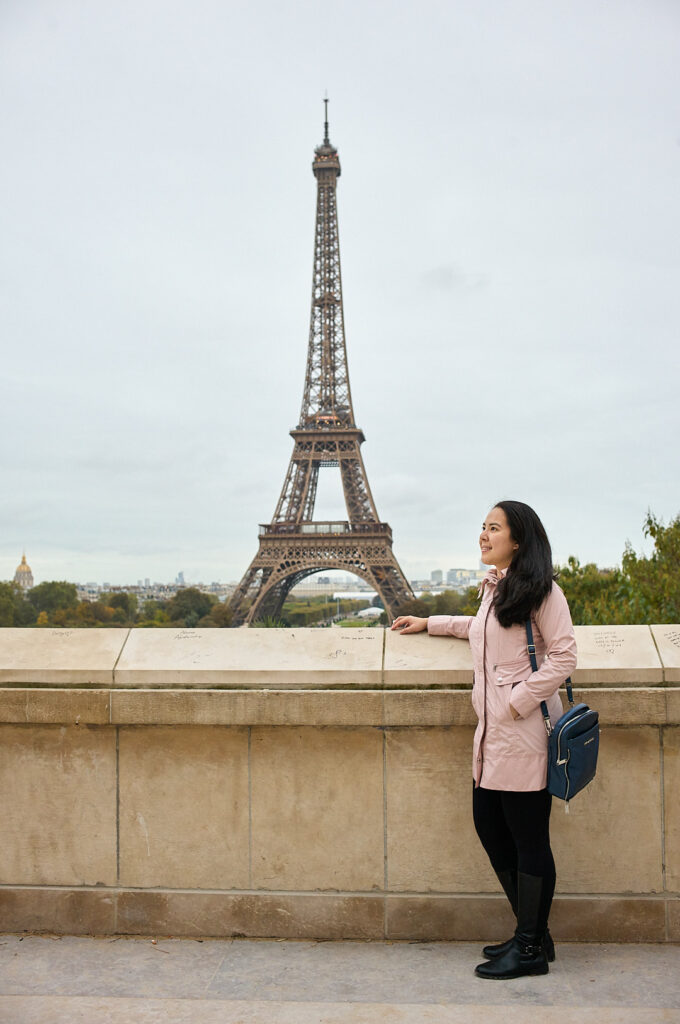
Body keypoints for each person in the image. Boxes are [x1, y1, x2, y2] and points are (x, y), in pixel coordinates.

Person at [391, 500, 577, 980]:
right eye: (482, 527)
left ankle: (531, 946)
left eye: (493, 528)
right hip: (492, 736)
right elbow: (480, 631)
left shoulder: (543, 591)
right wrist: (430, 622)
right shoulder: (497, 589)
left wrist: (516, 701)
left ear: (518, 539)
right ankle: (533, 933)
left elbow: (564, 655)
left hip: (526, 733)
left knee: (530, 839)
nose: (483, 535)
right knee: (491, 827)